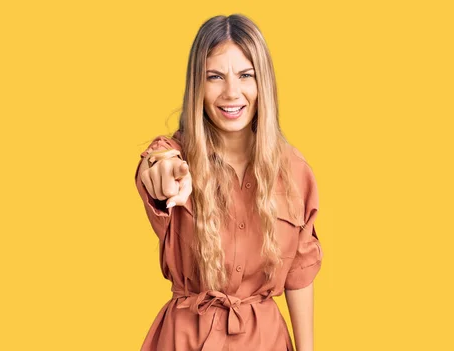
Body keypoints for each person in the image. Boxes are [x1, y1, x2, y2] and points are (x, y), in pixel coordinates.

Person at [134, 14, 323, 351]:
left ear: (262, 82)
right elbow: (157, 165)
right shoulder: (174, 156)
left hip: (265, 342)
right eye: (215, 77)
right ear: (198, 85)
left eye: (245, 75)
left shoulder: (294, 171)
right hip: (184, 340)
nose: (231, 93)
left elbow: (300, 274)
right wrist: (165, 173)